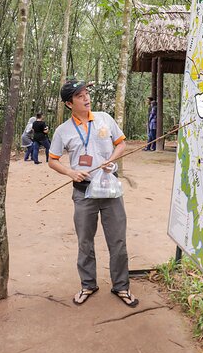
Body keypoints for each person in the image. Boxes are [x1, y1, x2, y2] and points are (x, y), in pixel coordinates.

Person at [47, 79, 138, 308]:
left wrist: (111, 160)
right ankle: (88, 284)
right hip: (84, 193)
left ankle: (122, 286)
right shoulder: (63, 131)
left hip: (110, 191)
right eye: (80, 96)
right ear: (69, 103)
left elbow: (121, 144)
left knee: (118, 241)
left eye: (86, 93)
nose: (86, 98)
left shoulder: (105, 119)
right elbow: (52, 160)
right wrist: (70, 172)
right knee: (85, 241)